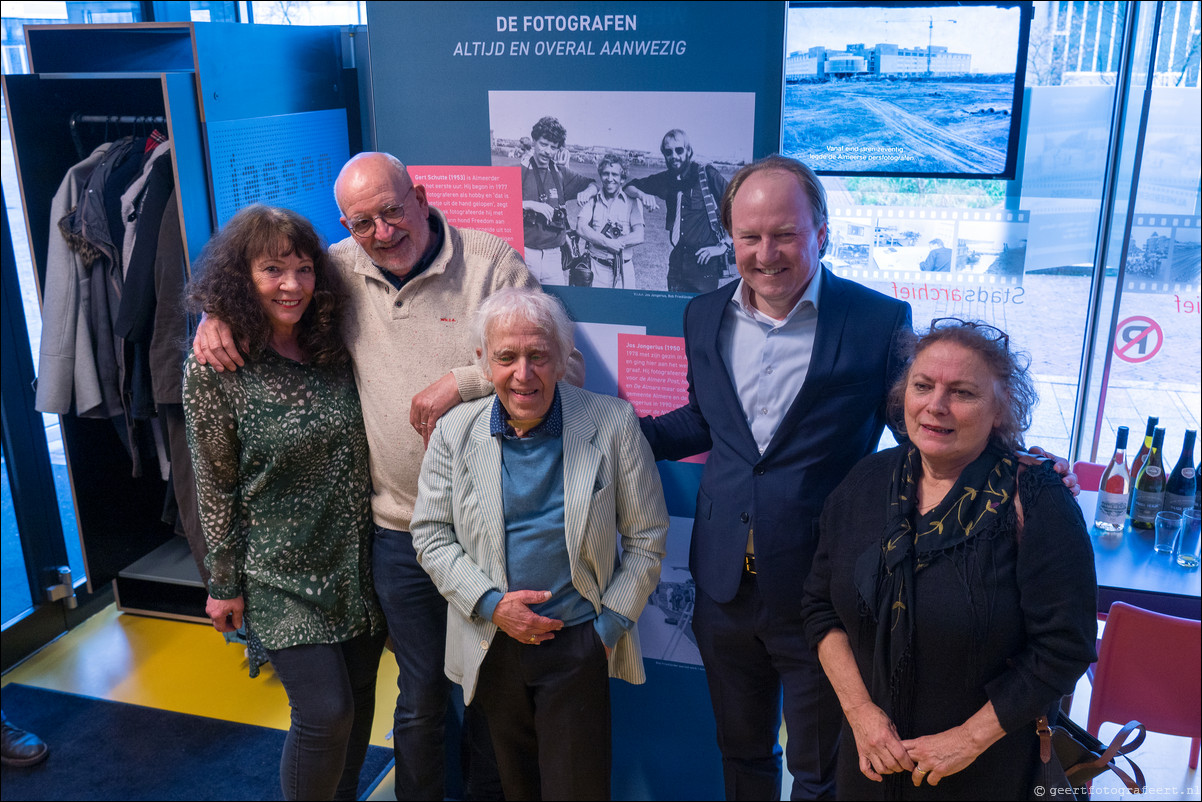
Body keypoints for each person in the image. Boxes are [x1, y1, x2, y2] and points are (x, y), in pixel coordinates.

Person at [638, 155, 1076, 801]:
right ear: (729, 237)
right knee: (741, 753)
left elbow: (919, 432)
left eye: (784, 233)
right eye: (749, 236)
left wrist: (1014, 463)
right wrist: (611, 430)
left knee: (819, 769)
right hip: (723, 584)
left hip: (824, 594)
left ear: (822, 232)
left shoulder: (875, 318)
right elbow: (705, 421)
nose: (766, 253)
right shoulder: (703, 315)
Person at [192, 152, 585, 801]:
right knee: (420, 695)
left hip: (493, 530)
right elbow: (265, 292)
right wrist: (217, 316)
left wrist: (460, 381)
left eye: (392, 210)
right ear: (346, 225)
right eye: (362, 221)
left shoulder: (490, 264)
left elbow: (559, 366)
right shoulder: (336, 270)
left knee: (492, 688)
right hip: (397, 534)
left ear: (420, 196)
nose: (382, 231)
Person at [800, 319, 1098, 800]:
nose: (936, 406)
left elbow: (1065, 647)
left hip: (982, 770)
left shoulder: (1037, 500)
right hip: (870, 762)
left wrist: (964, 742)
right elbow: (820, 608)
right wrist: (860, 713)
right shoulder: (864, 483)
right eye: (922, 386)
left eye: (962, 392)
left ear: (1001, 410)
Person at [411, 287, 668, 801]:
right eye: (506, 357)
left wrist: (606, 629)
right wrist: (490, 604)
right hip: (492, 642)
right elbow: (431, 534)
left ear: (563, 360)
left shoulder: (612, 424)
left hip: (578, 643)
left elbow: (647, 539)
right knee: (512, 787)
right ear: (484, 363)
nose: (523, 374)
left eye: (538, 356)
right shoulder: (454, 432)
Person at [183, 205, 386, 801]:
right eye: (272, 269)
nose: (291, 285)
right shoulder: (216, 367)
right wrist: (223, 582)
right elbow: (213, 482)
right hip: (278, 573)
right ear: (239, 277)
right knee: (324, 714)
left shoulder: (334, 343)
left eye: (302, 269)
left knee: (357, 710)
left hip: (354, 564)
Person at [625, 129, 733, 293]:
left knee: (701, 315)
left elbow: (738, 205)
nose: (674, 156)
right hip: (676, 263)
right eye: (668, 152)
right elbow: (628, 187)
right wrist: (641, 194)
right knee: (675, 314)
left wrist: (723, 245)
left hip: (704, 264)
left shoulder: (706, 174)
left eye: (679, 150)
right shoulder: (665, 179)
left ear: (689, 151)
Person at [521, 116, 594, 285]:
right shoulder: (519, 171)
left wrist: (588, 192)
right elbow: (499, 207)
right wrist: (530, 205)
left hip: (554, 256)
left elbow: (592, 184)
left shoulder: (561, 173)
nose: (548, 151)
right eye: (544, 144)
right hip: (525, 253)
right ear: (534, 141)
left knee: (555, 304)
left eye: (553, 147)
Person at [575, 153, 645, 289]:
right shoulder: (592, 199)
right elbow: (581, 227)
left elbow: (639, 235)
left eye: (615, 174)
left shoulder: (632, 202)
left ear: (622, 178)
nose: (609, 179)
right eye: (606, 174)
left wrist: (617, 244)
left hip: (624, 271)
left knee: (623, 309)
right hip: (596, 270)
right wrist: (607, 242)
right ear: (601, 175)